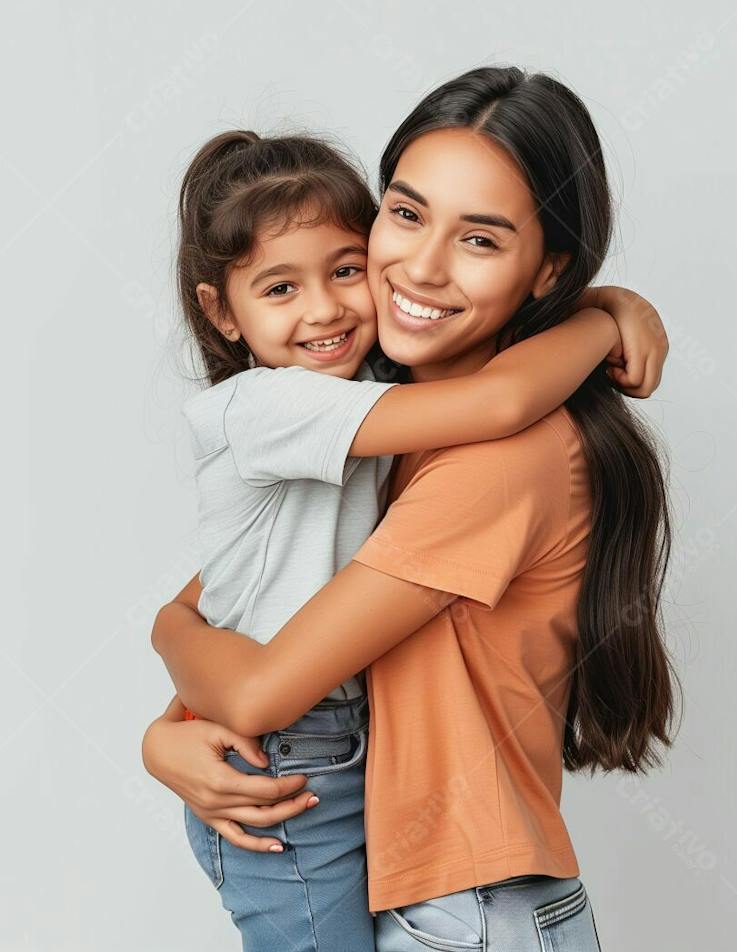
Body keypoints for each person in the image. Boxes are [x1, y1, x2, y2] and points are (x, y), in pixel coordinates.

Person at [145, 64, 675, 951]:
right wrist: (165, 736)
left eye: (480, 239)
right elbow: (243, 599)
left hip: (465, 916)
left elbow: (265, 684)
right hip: (444, 907)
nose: (420, 266)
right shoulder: (384, 421)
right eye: (406, 212)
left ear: (546, 268)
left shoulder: (498, 462)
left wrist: (167, 642)